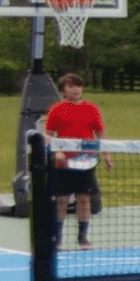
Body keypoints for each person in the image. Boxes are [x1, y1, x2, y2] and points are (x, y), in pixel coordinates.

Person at [41, 73, 112, 251]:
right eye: (70, 86)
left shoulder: (92, 108)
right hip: (63, 162)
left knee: (84, 200)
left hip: (86, 161)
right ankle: (56, 238)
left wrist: (106, 155)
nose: (75, 89)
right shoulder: (56, 109)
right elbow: (47, 135)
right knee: (62, 200)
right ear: (63, 91)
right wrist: (56, 151)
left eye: (78, 86)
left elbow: (101, 133)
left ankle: (83, 238)